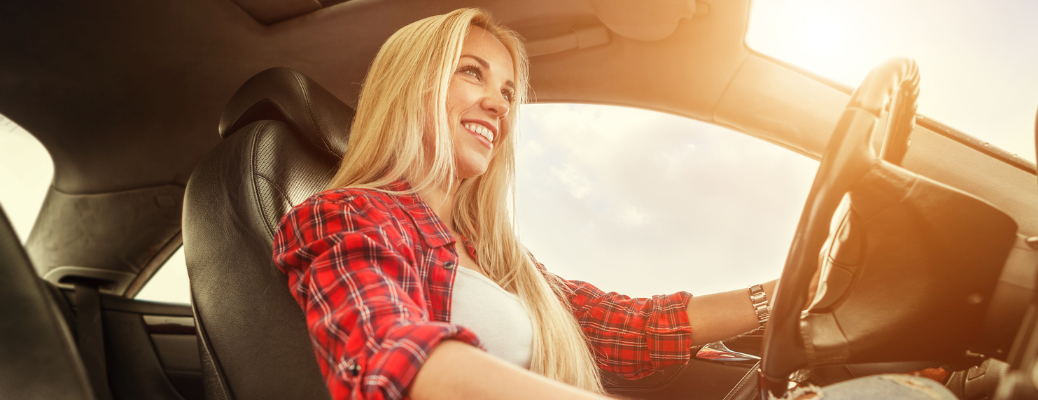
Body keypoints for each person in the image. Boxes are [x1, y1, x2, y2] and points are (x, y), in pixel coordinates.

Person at [272, 7, 955, 400]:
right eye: (472, 73)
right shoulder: (348, 218)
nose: (498, 104)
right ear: (411, 87)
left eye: (507, 91)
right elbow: (388, 357)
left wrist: (787, 296)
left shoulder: (501, 258)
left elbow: (629, 326)